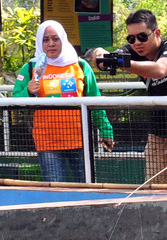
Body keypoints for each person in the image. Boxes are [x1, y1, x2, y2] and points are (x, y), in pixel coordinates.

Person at [88, 9, 167, 187]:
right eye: (131, 38)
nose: (137, 42)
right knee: (154, 189)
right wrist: (99, 54)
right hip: (158, 130)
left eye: (142, 36)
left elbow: (160, 70)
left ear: (157, 33)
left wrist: (120, 63)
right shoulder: (132, 51)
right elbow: (105, 57)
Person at [13, 20, 114, 182]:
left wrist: (106, 130)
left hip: (79, 140)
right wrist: (28, 91)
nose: (51, 44)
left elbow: (95, 100)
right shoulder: (31, 67)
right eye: (46, 40)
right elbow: (15, 100)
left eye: (55, 38)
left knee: (85, 188)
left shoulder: (80, 66)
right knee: (54, 191)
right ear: (40, 42)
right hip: (47, 141)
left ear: (63, 39)